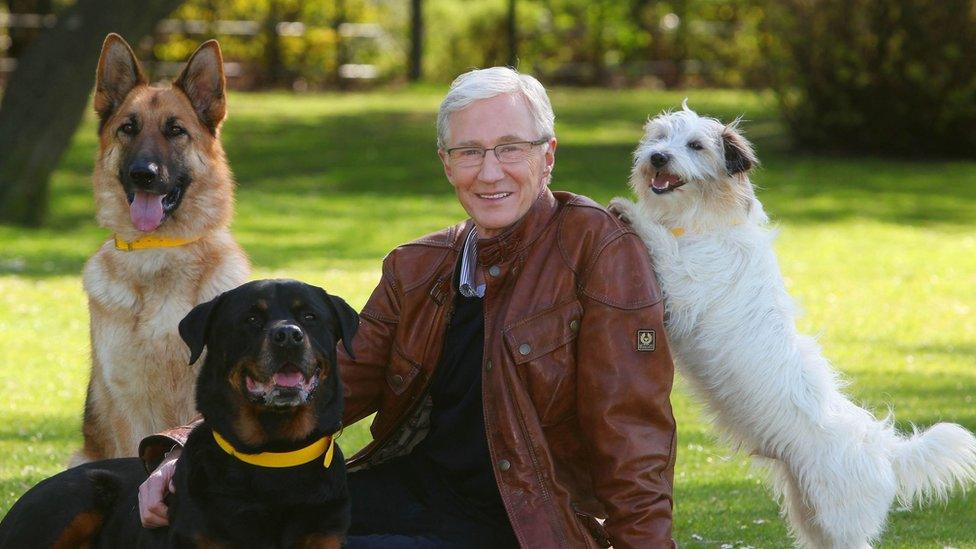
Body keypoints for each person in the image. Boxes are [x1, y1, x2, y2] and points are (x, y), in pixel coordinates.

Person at [138, 67, 677, 548]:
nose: (490, 173)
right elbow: (332, 375)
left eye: (511, 148)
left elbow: (632, 436)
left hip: (526, 522)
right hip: (414, 490)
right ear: (447, 164)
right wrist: (183, 451)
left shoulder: (597, 249)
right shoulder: (419, 267)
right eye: (469, 152)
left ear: (548, 155)